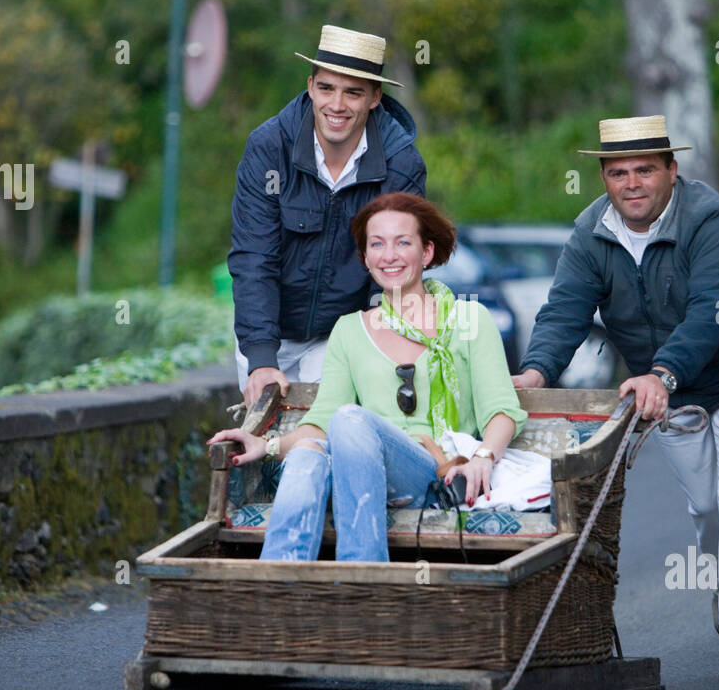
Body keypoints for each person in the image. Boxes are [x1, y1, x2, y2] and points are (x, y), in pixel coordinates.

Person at [511, 116, 719, 690]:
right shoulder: (590, 232)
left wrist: (662, 372)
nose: (633, 182)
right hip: (666, 386)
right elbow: (565, 310)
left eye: (646, 169)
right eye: (619, 172)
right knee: (708, 506)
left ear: (672, 170)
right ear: (604, 178)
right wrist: (535, 373)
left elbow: (712, 311)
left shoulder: (712, 221)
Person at [210, 192, 526, 562]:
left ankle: (362, 578)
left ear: (426, 253)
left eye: (402, 242)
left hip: (432, 471)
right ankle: (279, 590)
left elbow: (501, 409)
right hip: (357, 465)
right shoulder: (349, 330)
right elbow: (323, 421)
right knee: (307, 458)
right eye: (376, 244)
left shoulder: (470, 320)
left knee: (350, 419)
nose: (388, 255)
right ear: (364, 258)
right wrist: (268, 445)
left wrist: (484, 456)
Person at [228, 24, 427, 408]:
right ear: (310, 86)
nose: (337, 105)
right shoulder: (269, 149)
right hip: (271, 333)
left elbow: (397, 267)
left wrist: (377, 346)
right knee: (267, 445)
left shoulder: (402, 164)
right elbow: (254, 258)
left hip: (346, 331)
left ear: (375, 98)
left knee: (330, 435)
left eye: (353, 92)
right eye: (326, 88)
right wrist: (262, 358)